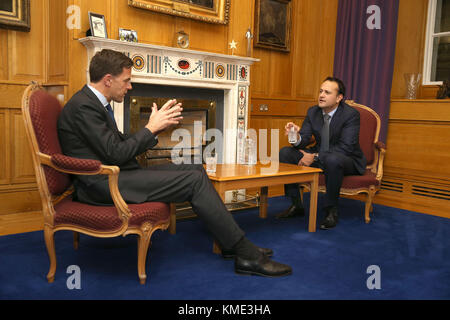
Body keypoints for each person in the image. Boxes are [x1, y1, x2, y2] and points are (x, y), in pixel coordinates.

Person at [57, 49, 292, 277]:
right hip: (102, 184)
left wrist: (152, 129)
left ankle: (231, 243)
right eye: (127, 80)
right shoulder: (84, 106)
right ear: (108, 80)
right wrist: (150, 128)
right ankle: (244, 252)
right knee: (195, 179)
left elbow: (114, 146)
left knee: (195, 169)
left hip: (115, 175)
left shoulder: (93, 102)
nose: (130, 86)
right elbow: (116, 153)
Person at [277, 77, 366, 230]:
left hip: (347, 159)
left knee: (332, 159)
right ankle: (296, 205)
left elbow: (345, 148)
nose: (321, 95)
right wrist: (294, 136)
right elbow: (304, 139)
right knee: (285, 153)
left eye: (327, 92)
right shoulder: (313, 112)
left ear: (339, 98)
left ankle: (331, 210)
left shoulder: (351, 115)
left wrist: (314, 157)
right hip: (320, 155)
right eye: (320, 91)